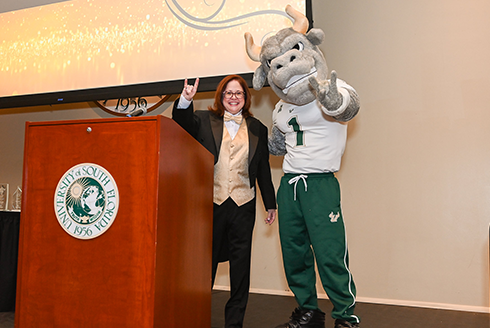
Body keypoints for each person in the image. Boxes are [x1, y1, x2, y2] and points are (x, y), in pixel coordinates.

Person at [172, 74, 277, 328]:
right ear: (221, 97)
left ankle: (234, 324)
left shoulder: (257, 128)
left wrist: (270, 203)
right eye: (228, 93)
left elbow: (262, 169)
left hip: (243, 205)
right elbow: (181, 121)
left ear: (245, 98)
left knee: (240, 269)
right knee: (204, 265)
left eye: (238, 93)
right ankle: (196, 317)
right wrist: (185, 100)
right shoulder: (204, 121)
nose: (233, 97)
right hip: (211, 204)